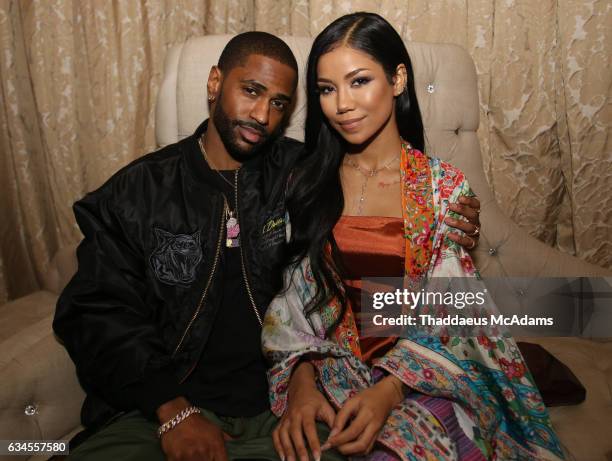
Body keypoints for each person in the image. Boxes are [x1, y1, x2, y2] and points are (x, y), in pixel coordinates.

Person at [53, 31, 480, 461]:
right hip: (159, 409)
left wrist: (447, 211)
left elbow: (381, 238)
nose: (262, 115)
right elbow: (96, 313)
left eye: (279, 103)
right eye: (251, 91)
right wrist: (171, 410)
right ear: (215, 83)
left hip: (283, 406)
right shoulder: (138, 192)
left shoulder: (304, 176)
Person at [263, 12, 564, 461]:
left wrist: (390, 390)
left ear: (398, 79)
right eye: (327, 89)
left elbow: (454, 315)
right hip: (334, 373)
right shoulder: (305, 184)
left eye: (359, 81)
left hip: (426, 376)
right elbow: (292, 307)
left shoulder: (443, 190)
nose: (342, 103)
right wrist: (302, 382)